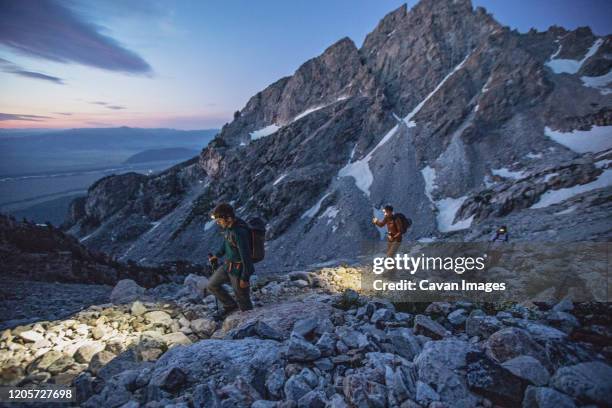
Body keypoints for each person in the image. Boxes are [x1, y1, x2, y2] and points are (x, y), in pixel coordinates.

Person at [207, 203, 254, 320]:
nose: (218, 223)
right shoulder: (229, 228)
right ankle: (230, 305)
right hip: (228, 265)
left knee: (242, 299)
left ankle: (249, 322)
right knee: (212, 285)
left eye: (219, 220)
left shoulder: (239, 232)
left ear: (228, 217)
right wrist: (217, 256)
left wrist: (245, 278)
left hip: (238, 270)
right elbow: (226, 243)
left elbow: (246, 257)